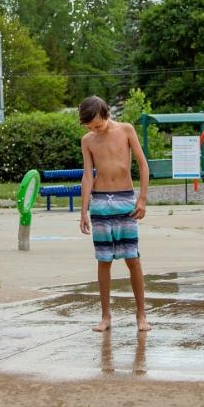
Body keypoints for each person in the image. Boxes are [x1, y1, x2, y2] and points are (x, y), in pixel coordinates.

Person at [77, 95, 150, 332]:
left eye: (98, 125)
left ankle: (141, 315)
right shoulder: (88, 140)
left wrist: (142, 198)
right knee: (104, 260)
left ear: (106, 114)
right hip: (100, 203)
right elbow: (88, 175)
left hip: (125, 200)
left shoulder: (126, 130)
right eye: (90, 127)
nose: (94, 130)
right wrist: (83, 210)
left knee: (133, 258)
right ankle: (106, 316)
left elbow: (142, 164)